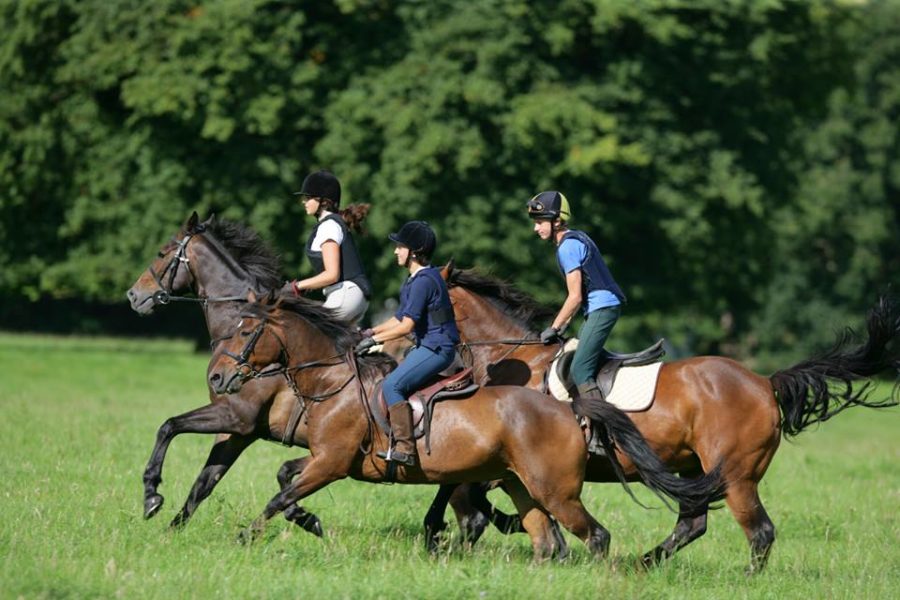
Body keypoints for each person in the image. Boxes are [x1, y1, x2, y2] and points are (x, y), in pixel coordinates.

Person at [355, 221, 460, 467]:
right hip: (429, 345)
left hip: (436, 348)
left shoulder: (424, 281)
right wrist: (369, 331)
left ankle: (406, 448)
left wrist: (374, 340)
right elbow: (398, 318)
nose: (395, 251)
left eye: (400, 247)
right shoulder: (415, 280)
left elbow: (406, 327)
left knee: (392, 386)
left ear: (413, 251)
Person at [526, 191, 626, 405]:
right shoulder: (576, 237)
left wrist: (553, 327)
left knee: (579, 370)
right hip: (600, 307)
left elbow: (575, 297)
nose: (536, 228)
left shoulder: (567, 247)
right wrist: (564, 326)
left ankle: (603, 424)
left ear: (557, 221)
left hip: (602, 308)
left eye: (540, 222)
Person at [286, 170, 372, 324]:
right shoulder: (334, 223)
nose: (304, 202)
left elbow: (331, 275)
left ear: (324, 202)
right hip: (352, 296)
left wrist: (297, 286)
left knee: (308, 334)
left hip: (346, 294)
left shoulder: (328, 226)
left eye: (308, 198)